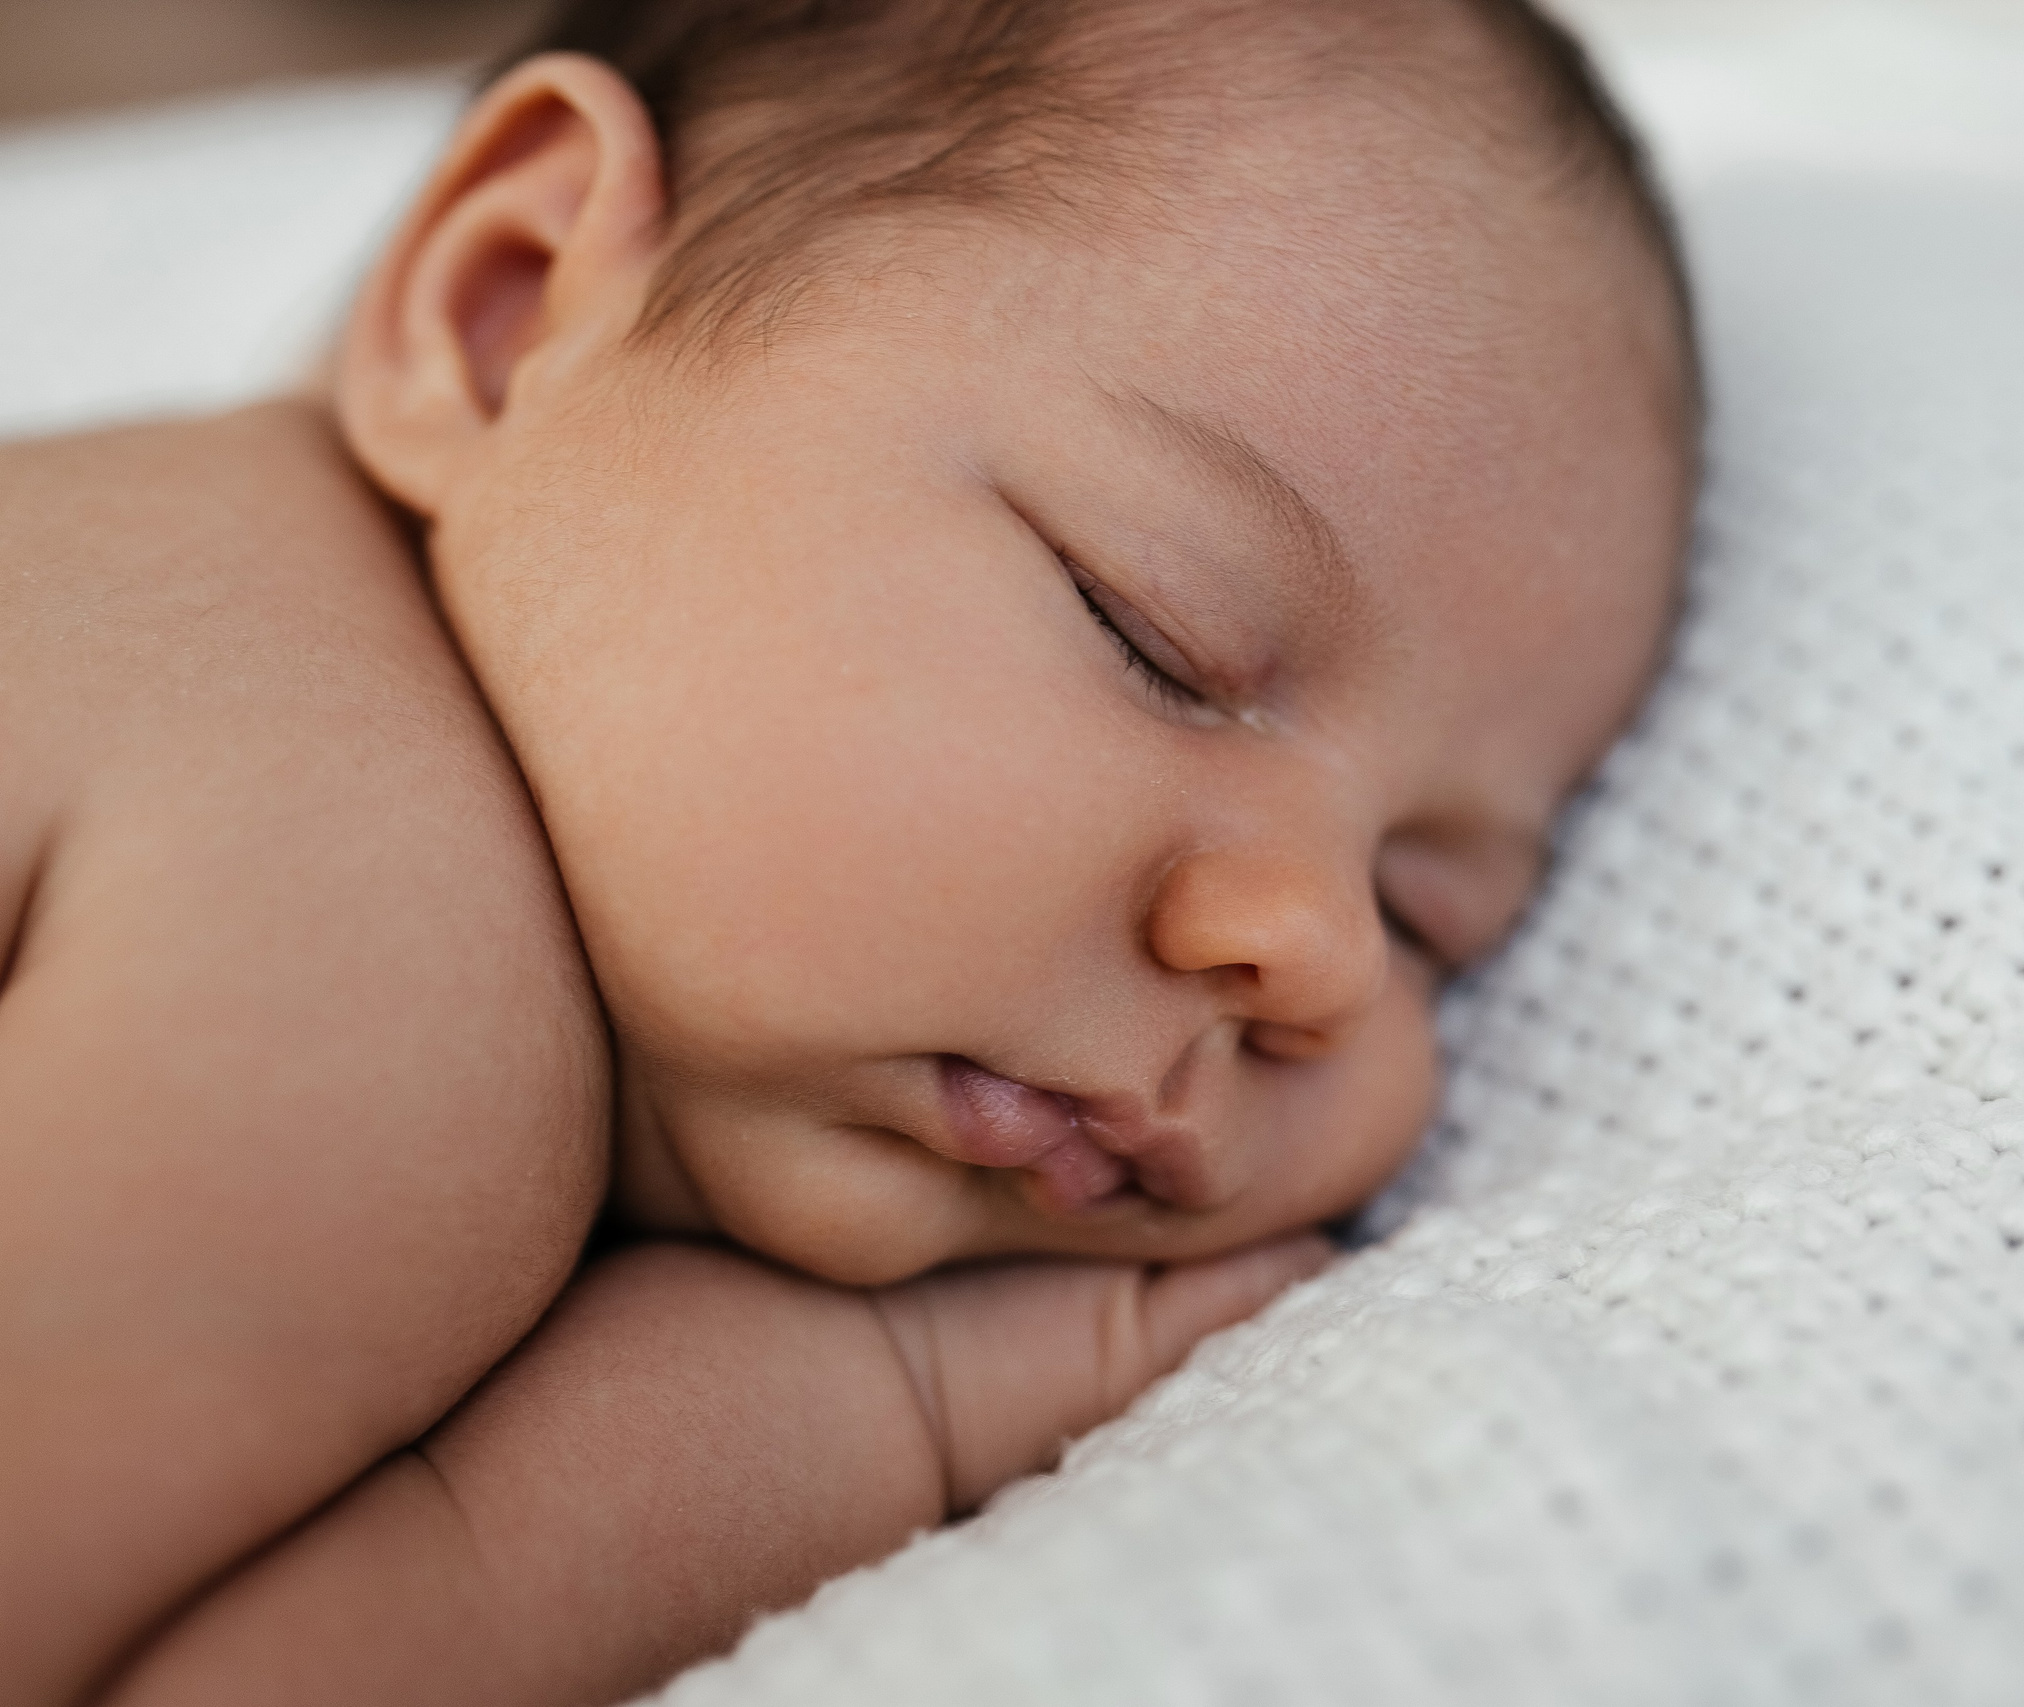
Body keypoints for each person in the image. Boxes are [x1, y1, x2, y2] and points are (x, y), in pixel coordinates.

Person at [0, 1, 1697, 1701]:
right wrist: (874, 1409)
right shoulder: (361, 902)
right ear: (509, 316)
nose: (1312, 944)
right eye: (1154, 636)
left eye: (1429, 915)